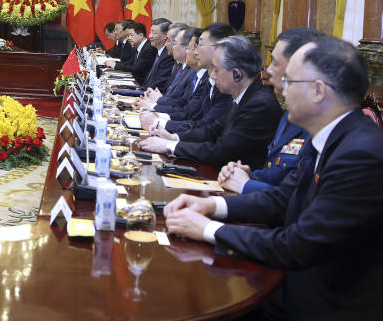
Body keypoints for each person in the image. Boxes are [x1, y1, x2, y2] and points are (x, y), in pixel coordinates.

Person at [164, 37, 383, 319]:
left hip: (321, 301)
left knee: (189, 295)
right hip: (293, 279)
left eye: (290, 81)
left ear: (318, 91)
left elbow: (298, 245)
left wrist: (208, 229)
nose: (279, 87)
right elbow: (282, 198)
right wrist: (213, 207)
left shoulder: (359, 154)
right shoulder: (333, 135)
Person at [139, 35, 282, 169]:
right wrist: (173, 137)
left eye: (216, 70)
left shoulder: (259, 104)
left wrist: (170, 145)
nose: (212, 76)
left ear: (237, 74)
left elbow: (221, 152)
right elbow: (212, 130)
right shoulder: (245, 94)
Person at [218, 27, 321, 194]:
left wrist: (247, 185)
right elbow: (277, 173)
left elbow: (296, 199)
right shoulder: (290, 112)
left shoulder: (319, 126)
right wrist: (250, 175)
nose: (269, 69)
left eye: (275, 62)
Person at [140, 22, 236, 134]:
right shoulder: (207, 78)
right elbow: (194, 116)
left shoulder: (220, 84)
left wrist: (157, 118)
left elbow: (201, 124)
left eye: (199, 46)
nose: (195, 52)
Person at [142, 19, 176, 92]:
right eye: (150, 32)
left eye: (154, 33)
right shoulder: (157, 51)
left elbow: (160, 85)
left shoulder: (168, 55)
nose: (150, 36)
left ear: (165, 35)